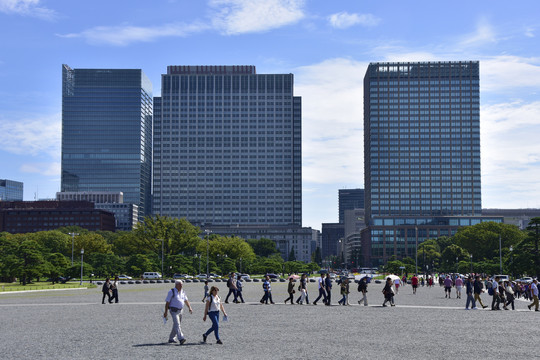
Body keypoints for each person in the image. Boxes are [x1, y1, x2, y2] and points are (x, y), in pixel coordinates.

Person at [164, 280, 193, 344]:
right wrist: (166, 312)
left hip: (181, 310)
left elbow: (186, 300)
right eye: (180, 285)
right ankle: (181, 338)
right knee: (177, 324)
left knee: (176, 325)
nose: (181, 286)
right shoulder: (171, 292)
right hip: (173, 310)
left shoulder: (183, 292)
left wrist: (189, 307)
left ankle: (171, 338)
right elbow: (167, 302)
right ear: (176, 285)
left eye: (182, 285)